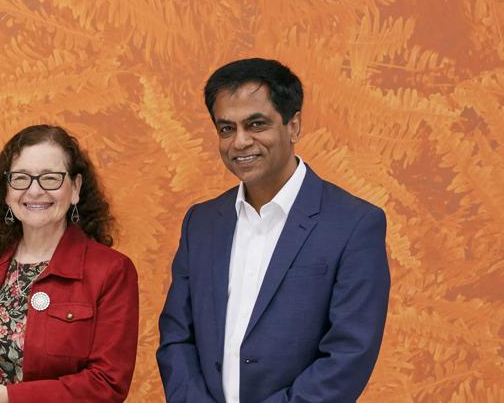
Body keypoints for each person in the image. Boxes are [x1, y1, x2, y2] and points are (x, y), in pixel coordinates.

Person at [157, 58, 391, 402]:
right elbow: (177, 338)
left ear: (293, 126)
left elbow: (348, 355)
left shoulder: (354, 224)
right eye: (226, 128)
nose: (239, 142)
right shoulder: (201, 222)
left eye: (256, 124)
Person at [0, 125, 139, 403]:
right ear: (6, 191)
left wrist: (12, 397)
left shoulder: (111, 271)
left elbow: (107, 385)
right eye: (21, 178)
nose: (35, 190)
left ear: (75, 188)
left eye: (50, 178)